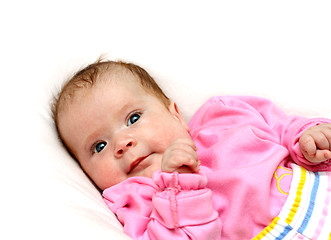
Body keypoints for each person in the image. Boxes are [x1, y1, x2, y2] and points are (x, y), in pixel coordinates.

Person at [52, 59, 331, 240]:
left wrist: (309, 138)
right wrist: (178, 189)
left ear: (175, 114)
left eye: (133, 119)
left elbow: (283, 126)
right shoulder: (133, 201)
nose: (122, 144)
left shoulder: (223, 116)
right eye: (99, 146)